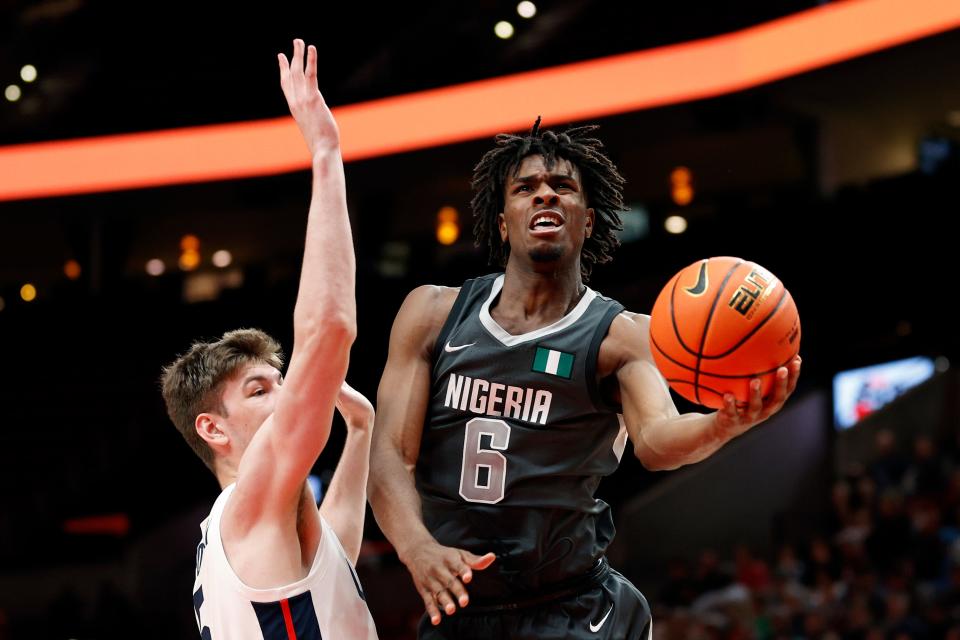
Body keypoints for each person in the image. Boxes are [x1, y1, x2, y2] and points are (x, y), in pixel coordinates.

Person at [367, 120, 801, 639]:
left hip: (572, 610)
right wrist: (415, 548)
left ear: (588, 221)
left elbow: (657, 441)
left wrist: (721, 425)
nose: (545, 193)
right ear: (504, 222)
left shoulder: (620, 337)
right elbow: (391, 453)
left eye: (563, 187)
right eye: (525, 188)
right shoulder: (434, 314)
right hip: (460, 607)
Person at [160, 39, 378, 639]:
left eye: (281, 382)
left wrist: (360, 434)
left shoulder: (245, 525)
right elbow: (329, 327)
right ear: (213, 428)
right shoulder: (248, 504)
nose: (287, 398)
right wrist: (327, 152)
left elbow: (334, 561)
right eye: (259, 390)